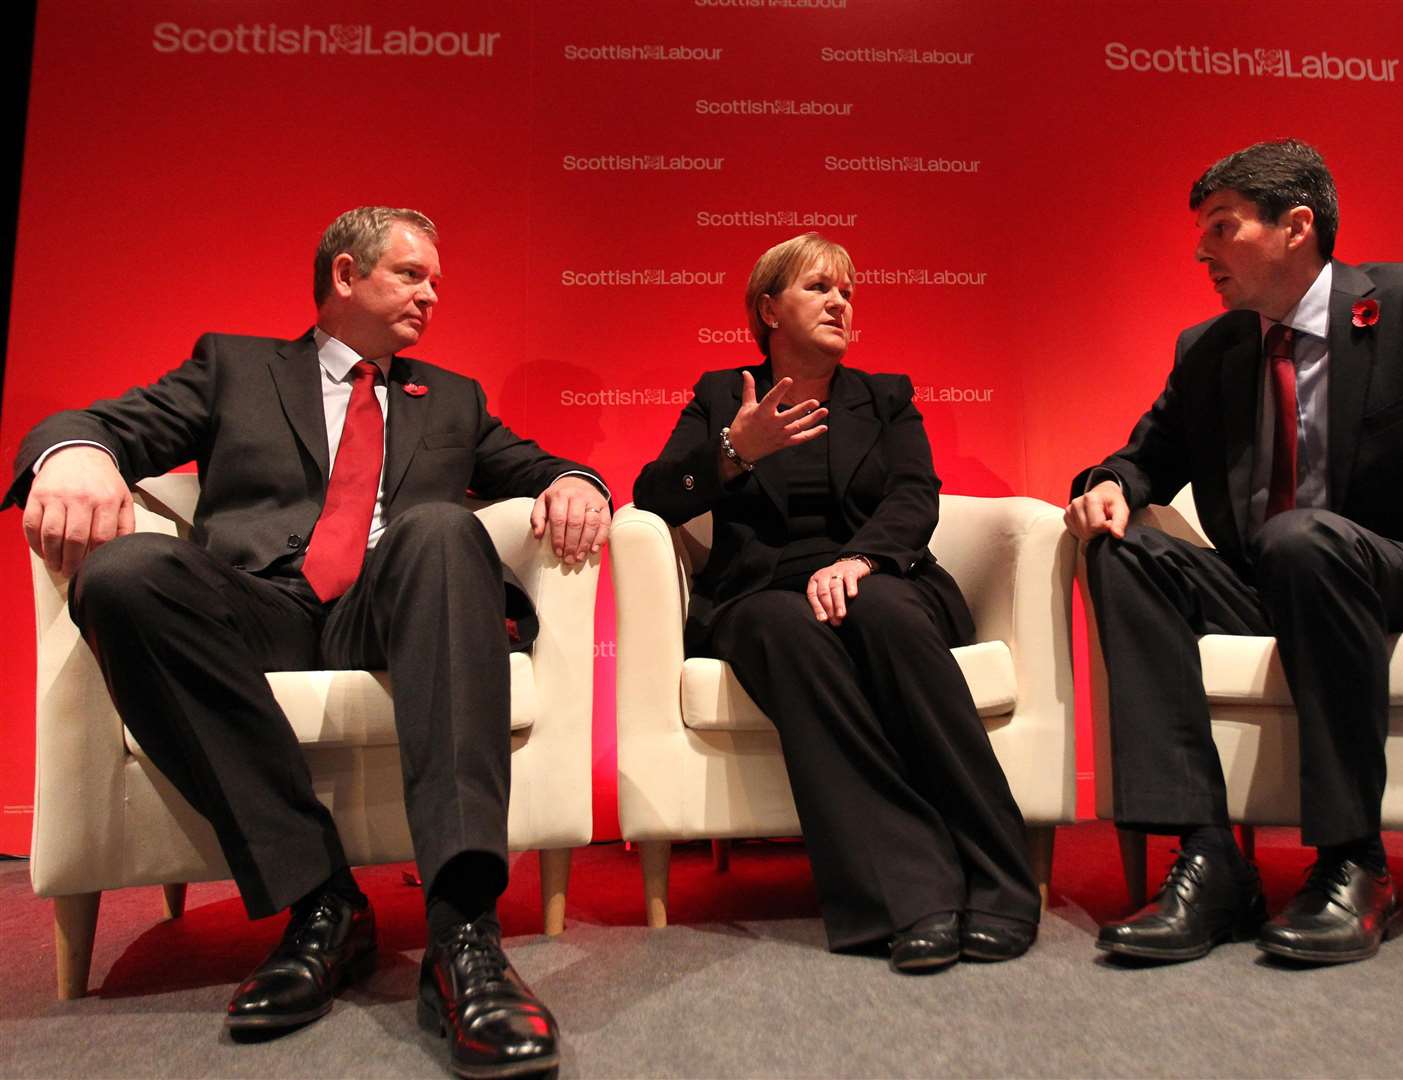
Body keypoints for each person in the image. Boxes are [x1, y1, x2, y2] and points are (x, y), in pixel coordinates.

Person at [5, 207, 608, 1076]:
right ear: (345, 275)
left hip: (388, 610)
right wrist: (70, 453)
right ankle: (322, 901)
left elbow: (539, 467)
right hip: (260, 605)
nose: (432, 295)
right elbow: (106, 425)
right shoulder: (235, 367)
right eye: (412, 275)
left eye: (437, 281)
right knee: (125, 574)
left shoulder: (453, 397)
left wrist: (579, 481)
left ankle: (463, 931)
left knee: (442, 529)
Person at [1066, 140, 1403, 966]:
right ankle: (1207, 859)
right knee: (1121, 552)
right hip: (1272, 576)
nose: (1200, 251)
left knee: (1300, 538)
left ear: (1296, 226)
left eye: (1221, 227)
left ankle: (1356, 864)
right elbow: (1145, 456)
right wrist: (1112, 487)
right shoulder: (1210, 348)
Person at [633, 233, 1039, 974]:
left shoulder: (886, 397)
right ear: (768, 308)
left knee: (881, 614)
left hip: (884, 576)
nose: (839, 302)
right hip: (762, 592)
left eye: (847, 291)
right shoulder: (724, 395)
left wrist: (861, 559)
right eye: (819, 287)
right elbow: (655, 495)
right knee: (786, 631)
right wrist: (734, 450)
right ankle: (908, 894)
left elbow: (917, 494)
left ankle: (999, 881)